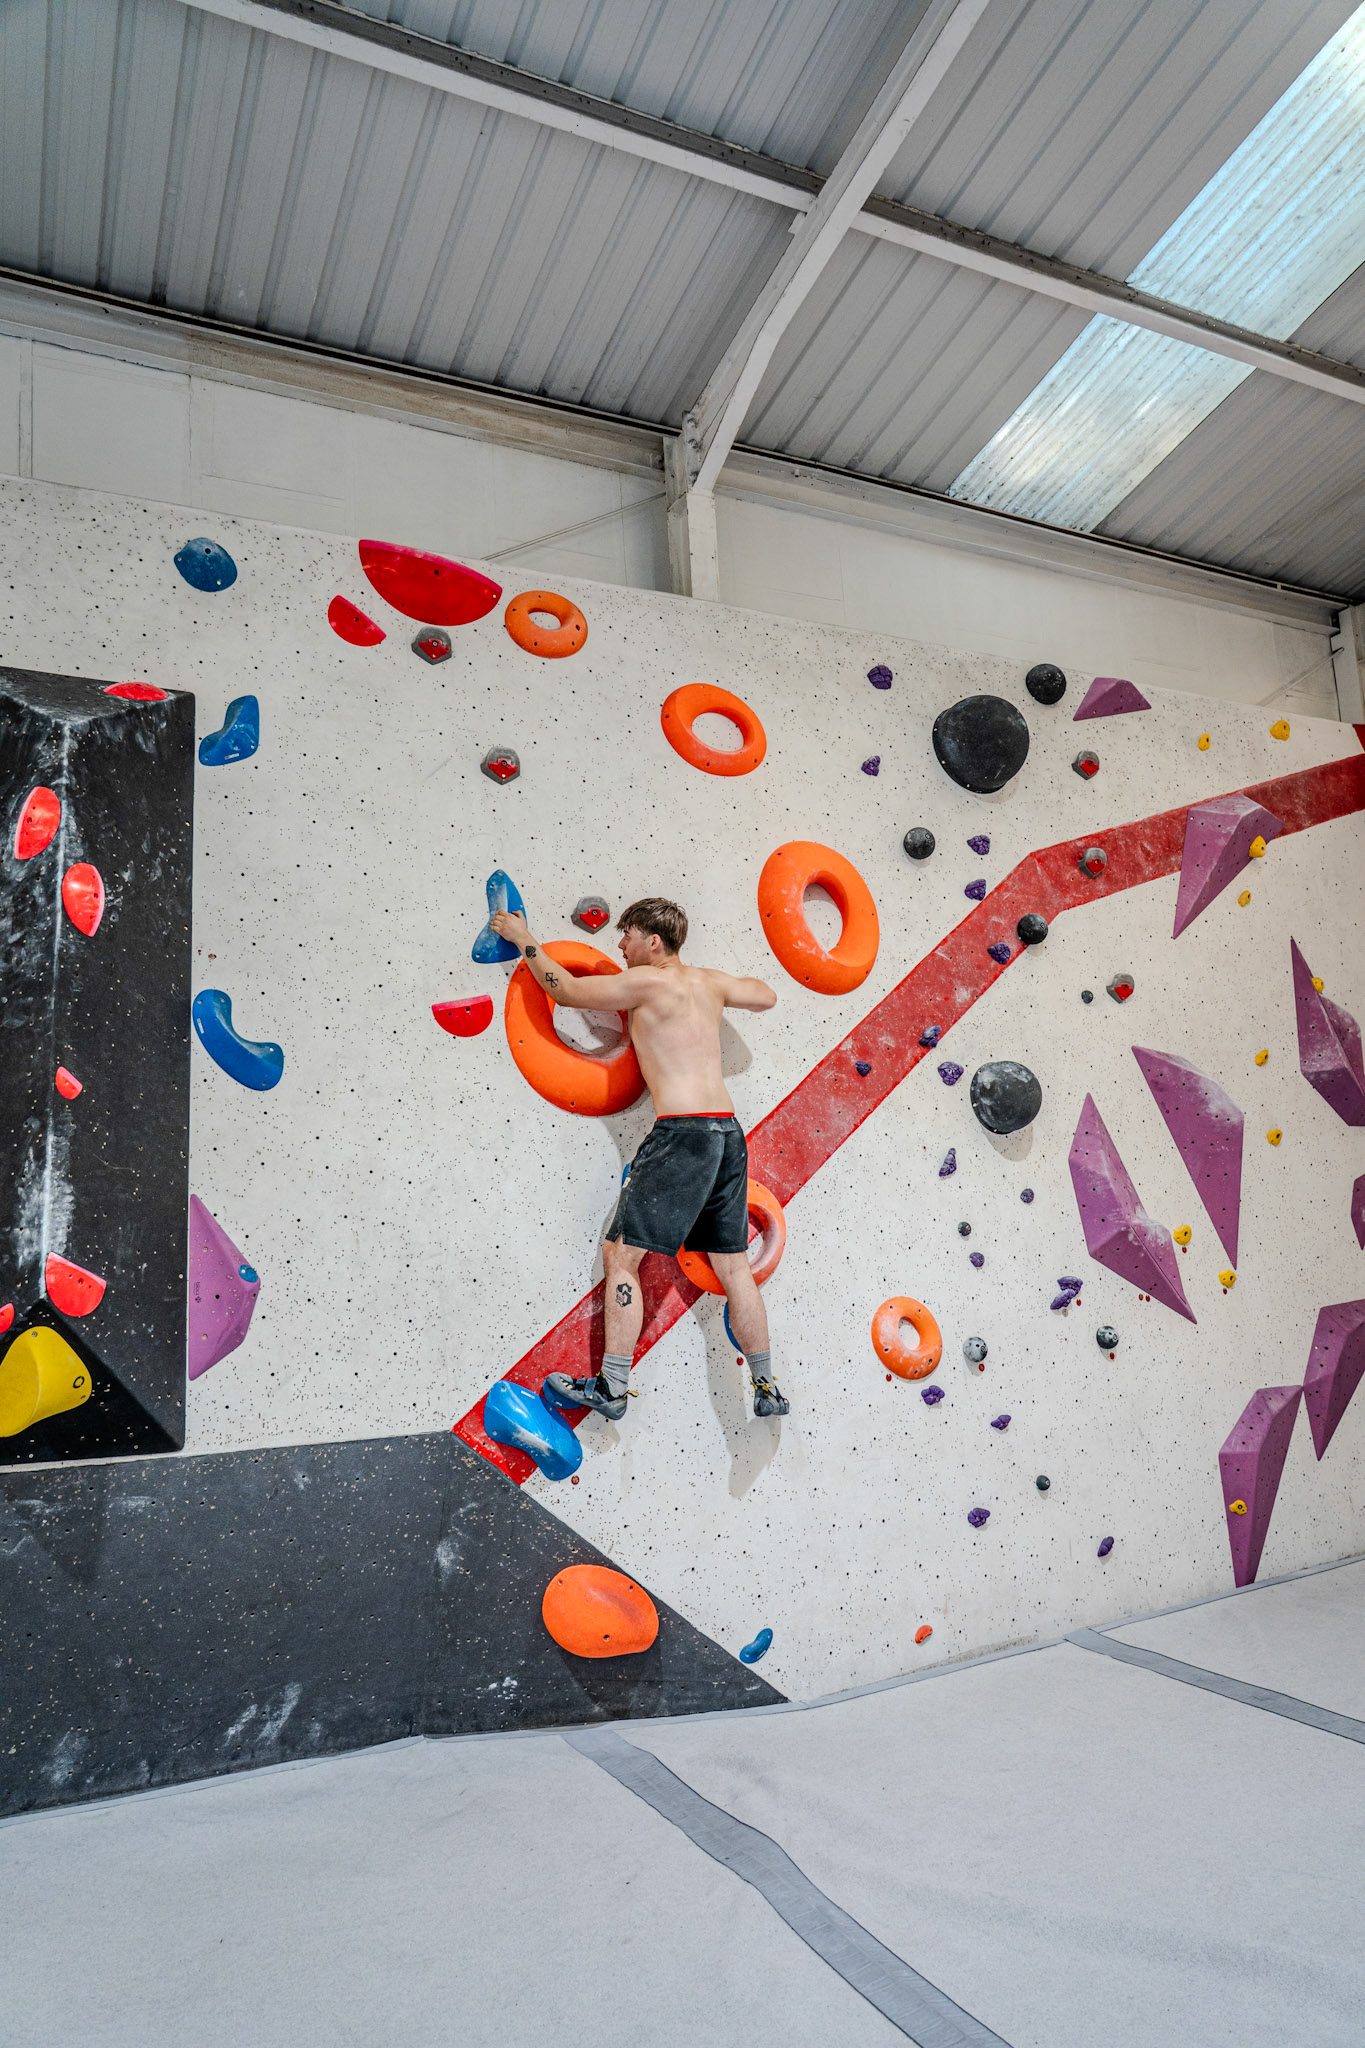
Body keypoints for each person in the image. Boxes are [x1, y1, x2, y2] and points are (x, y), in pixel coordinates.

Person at [489, 895, 790, 1421]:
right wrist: (714, 986)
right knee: (733, 1266)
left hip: (682, 1134)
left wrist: (522, 938)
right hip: (727, 1133)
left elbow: (566, 989)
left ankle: (612, 1387)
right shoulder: (707, 982)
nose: (621, 947)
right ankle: (768, 1386)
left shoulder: (648, 982)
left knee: (621, 1256)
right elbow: (766, 996)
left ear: (654, 941)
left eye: (627, 937)